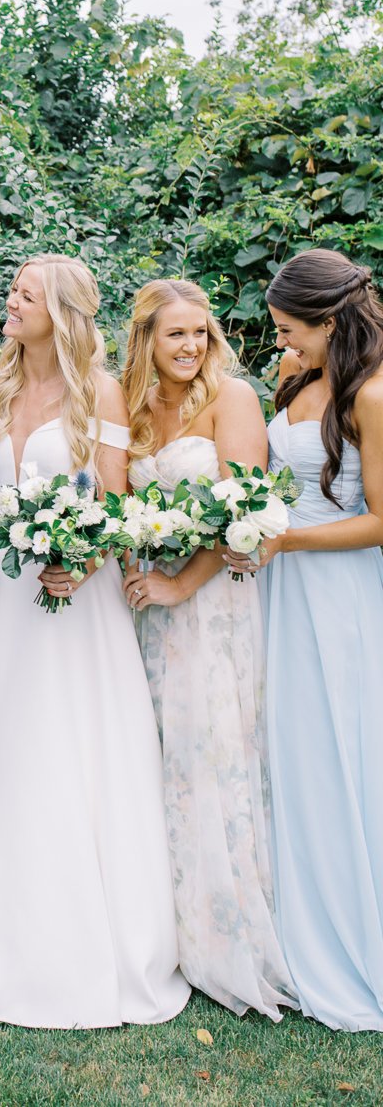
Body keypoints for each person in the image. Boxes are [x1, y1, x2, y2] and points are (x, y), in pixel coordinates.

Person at [0, 254, 189, 1029]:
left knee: (77, 750)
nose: (8, 303)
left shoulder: (97, 392)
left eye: (24, 295)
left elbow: (112, 498)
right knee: (9, 749)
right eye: (10, 291)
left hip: (79, 598)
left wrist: (78, 559)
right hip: (10, 597)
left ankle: (92, 941)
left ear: (61, 312)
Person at [120, 279, 296, 1020]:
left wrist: (180, 585)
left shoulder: (235, 400)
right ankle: (156, 931)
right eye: (174, 335)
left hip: (211, 607)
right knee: (151, 760)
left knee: (209, 755)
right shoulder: (127, 407)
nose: (191, 346)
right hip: (145, 614)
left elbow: (247, 518)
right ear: (146, 343)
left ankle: (222, 935)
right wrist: (137, 569)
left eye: (200, 332)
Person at [232, 249, 383, 1031]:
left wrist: (286, 540)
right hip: (278, 587)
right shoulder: (294, 382)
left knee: (334, 753)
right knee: (282, 750)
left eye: (292, 330)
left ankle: (348, 938)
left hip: (337, 594)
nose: (282, 344)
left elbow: (382, 520)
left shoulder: (374, 394)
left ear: (330, 321)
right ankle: (286, 932)